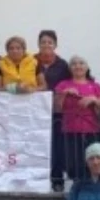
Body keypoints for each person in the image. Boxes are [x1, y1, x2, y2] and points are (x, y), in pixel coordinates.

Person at [54, 56, 100, 185]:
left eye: (81, 63)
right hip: (70, 132)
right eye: (74, 64)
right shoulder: (63, 85)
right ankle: (77, 187)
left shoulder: (95, 86)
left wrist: (94, 100)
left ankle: (91, 187)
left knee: (91, 163)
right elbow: (56, 108)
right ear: (70, 68)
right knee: (72, 165)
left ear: (87, 67)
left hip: (92, 131)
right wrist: (64, 94)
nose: (78, 66)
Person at [37, 31, 69, 191]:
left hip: (56, 112)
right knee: (37, 144)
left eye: (50, 42)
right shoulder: (31, 61)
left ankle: (57, 179)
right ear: (39, 45)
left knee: (57, 145)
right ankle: (36, 178)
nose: (46, 45)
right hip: (35, 112)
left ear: (55, 45)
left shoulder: (63, 65)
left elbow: (71, 82)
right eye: (43, 42)